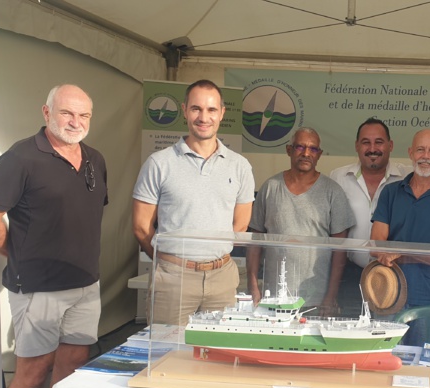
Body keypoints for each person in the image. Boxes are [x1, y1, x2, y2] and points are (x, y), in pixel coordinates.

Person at [0, 84, 107, 388]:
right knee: (31, 376)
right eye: (67, 113)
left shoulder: (95, 158)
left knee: (72, 371)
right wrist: (19, 255)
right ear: (47, 113)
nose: (76, 122)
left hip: (86, 286)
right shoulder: (20, 158)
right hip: (37, 289)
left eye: (84, 115)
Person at [133, 79, 255, 326]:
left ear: (222, 113)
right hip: (173, 278)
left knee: (217, 356)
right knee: (165, 353)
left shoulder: (240, 166)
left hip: (222, 278)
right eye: (196, 109)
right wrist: (171, 262)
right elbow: (141, 226)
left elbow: (240, 225)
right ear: (184, 111)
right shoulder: (159, 163)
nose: (204, 117)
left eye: (211, 110)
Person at [371, 129, 430, 345]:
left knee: (424, 367)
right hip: (387, 296)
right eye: (420, 149)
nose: (426, 156)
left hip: (429, 302)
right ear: (410, 153)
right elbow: (376, 245)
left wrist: (400, 252)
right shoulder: (390, 192)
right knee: (385, 365)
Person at [247, 128, 355, 316]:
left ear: (319, 154)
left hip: (315, 299)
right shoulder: (270, 188)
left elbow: (340, 251)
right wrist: (253, 286)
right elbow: (254, 243)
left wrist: (330, 296)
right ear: (289, 150)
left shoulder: (333, 192)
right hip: (274, 297)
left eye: (313, 149)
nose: (306, 153)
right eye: (300, 147)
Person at [329, 118, 411, 315]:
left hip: (393, 274)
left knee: (390, 334)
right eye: (366, 142)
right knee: (351, 335)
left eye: (379, 142)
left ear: (390, 145)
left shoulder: (407, 177)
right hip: (350, 274)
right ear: (357, 146)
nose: (372, 148)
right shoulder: (338, 177)